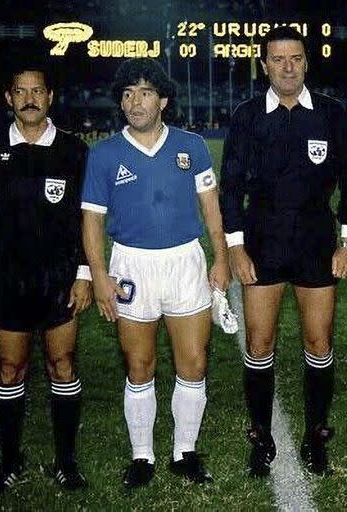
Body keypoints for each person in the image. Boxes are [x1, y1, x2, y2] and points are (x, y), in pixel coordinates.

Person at [219, 26, 347, 476]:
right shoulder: (246, 115)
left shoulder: (332, 114)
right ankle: (261, 437)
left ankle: (316, 435)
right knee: (260, 343)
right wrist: (236, 248)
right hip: (261, 243)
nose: (287, 67)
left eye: (295, 58)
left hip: (317, 242)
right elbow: (230, 188)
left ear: (306, 62)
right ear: (264, 65)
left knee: (318, 342)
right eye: (278, 59)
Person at [81, 57, 230, 488]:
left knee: (194, 362)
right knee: (139, 363)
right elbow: (91, 221)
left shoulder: (192, 146)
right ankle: (142, 456)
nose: (135, 102)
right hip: (130, 265)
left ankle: (185, 451)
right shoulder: (104, 154)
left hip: (184, 261)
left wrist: (220, 258)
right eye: (127, 94)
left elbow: (212, 210)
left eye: (145, 93)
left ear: (162, 99)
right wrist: (99, 276)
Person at [0, 58, 91, 493]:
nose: (30, 99)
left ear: (50, 97)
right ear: (8, 98)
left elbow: (87, 220)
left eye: (37, 90)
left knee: (63, 364)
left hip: (59, 278)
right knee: (9, 367)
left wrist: (85, 273)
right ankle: (9, 461)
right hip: (7, 280)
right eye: (21, 91)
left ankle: (66, 461)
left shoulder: (74, 151)